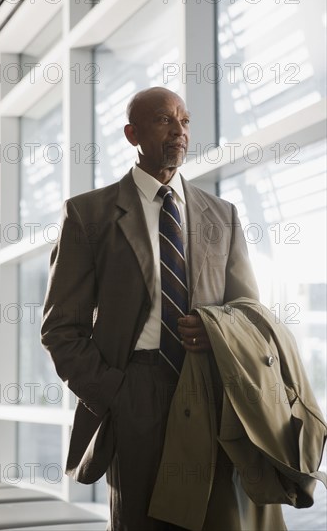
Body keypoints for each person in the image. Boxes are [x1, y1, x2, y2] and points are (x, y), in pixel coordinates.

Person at [41, 87, 259, 530]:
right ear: (132, 133)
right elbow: (61, 328)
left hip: (211, 389)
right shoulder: (88, 215)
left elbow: (249, 309)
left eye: (184, 120)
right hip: (135, 390)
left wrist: (217, 327)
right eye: (164, 120)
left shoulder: (224, 215)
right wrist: (115, 394)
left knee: (219, 520)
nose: (179, 130)